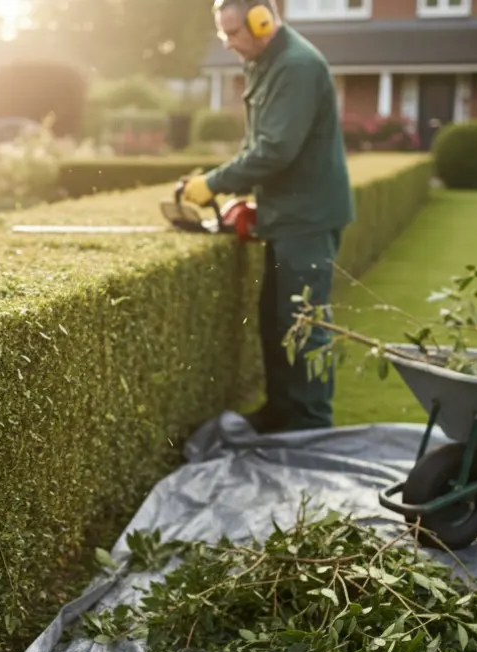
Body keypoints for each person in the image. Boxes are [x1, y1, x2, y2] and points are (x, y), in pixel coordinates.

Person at [181, 0, 354, 434]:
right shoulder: (264, 60)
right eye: (223, 35)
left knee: (304, 324)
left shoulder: (295, 66)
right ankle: (282, 412)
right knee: (277, 320)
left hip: (308, 219)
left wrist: (215, 184)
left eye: (234, 33)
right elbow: (260, 145)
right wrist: (253, 200)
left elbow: (276, 149)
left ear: (263, 21)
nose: (229, 44)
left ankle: (312, 426)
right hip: (288, 214)